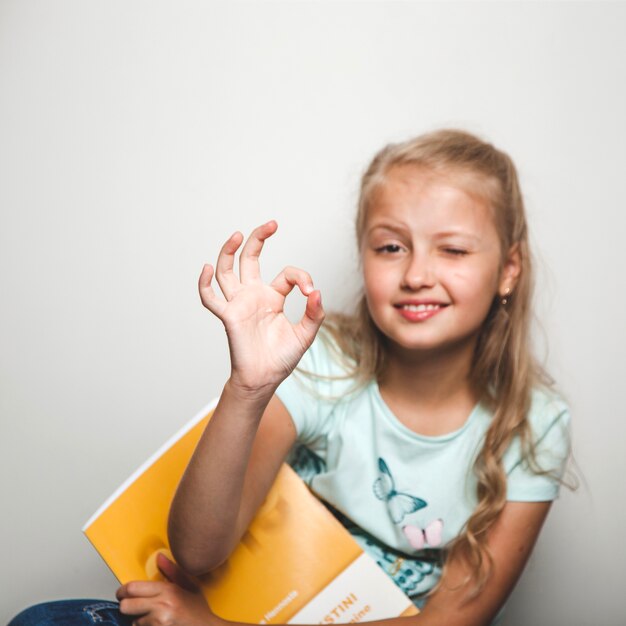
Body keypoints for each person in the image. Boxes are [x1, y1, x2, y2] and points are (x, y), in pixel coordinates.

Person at [10, 129, 571, 626]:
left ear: (508, 270)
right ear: (363, 255)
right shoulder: (325, 360)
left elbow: (451, 621)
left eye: (452, 249)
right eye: (391, 247)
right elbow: (198, 553)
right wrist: (248, 388)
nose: (417, 274)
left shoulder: (536, 424)